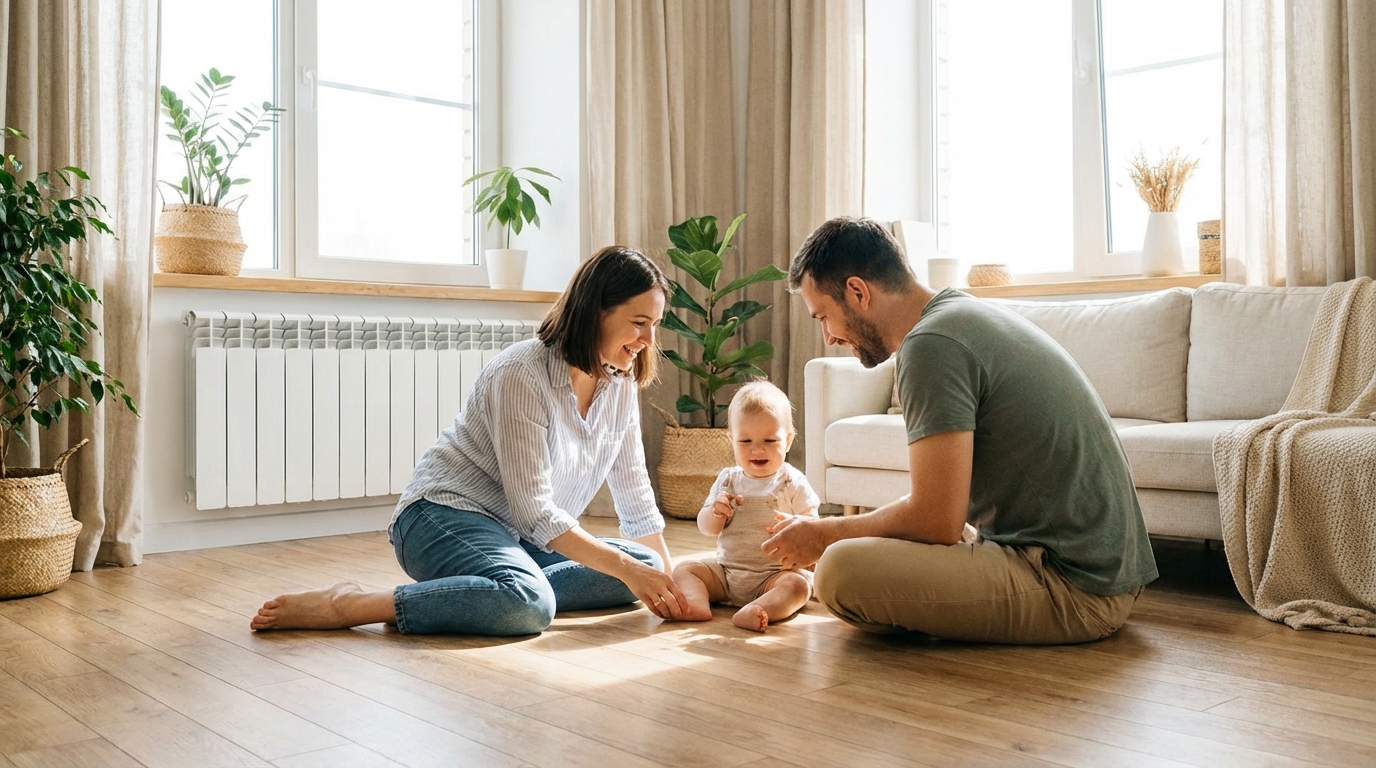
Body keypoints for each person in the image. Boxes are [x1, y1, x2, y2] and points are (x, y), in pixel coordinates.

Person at [251, 246, 688, 634]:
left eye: (655, 324)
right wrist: (628, 571)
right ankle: (350, 603)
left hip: (518, 538)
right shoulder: (521, 374)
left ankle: (487, 590)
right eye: (639, 323)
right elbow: (536, 512)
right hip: (440, 517)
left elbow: (634, 495)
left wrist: (670, 588)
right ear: (596, 311)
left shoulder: (620, 384)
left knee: (643, 564)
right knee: (532, 605)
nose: (649, 340)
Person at [762, 217, 1158, 644]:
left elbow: (936, 522)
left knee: (839, 572)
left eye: (824, 317)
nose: (828, 337)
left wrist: (824, 534)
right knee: (863, 552)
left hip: (1076, 588)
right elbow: (942, 506)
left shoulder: (931, 346)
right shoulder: (958, 313)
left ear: (858, 292)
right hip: (1101, 570)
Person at [670, 381, 820, 632]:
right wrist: (715, 512)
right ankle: (695, 603)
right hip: (727, 574)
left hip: (775, 575)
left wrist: (797, 526)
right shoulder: (728, 480)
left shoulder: (792, 482)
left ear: (789, 440)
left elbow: (814, 527)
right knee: (685, 569)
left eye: (770, 440)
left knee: (798, 586)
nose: (757, 449)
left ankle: (760, 609)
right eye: (745, 440)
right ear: (731, 439)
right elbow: (706, 528)